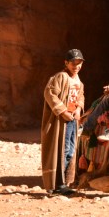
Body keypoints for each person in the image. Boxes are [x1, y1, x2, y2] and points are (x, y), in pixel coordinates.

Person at [41, 49, 85, 195]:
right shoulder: (61, 76)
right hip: (61, 120)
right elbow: (50, 93)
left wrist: (78, 109)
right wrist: (63, 111)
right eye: (73, 63)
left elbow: (80, 96)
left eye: (79, 63)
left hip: (72, 120)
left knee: (71, 150)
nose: (76, 66)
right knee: (63, 149)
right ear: (66, 63)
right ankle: (57, 184)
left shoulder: (78, 80)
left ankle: (65, 182)